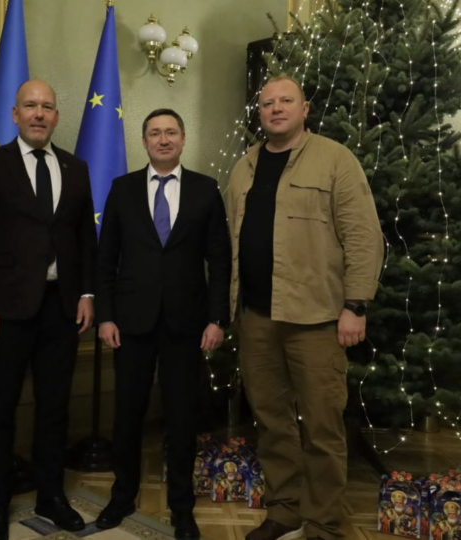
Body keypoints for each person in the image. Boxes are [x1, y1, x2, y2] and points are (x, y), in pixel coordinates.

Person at [226, 74, 383, 540]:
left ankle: (323, 523)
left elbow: (363, 236)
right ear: (259, 112)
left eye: (286, 101)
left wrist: (356, 304)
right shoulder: (244, 167)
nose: (276, 109)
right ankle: (285, 509)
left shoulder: (335, 159)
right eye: (267, 103)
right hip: (256, 318)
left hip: (316, 320)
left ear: (304, 109)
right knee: (271, 423)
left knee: (321, 427)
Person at [0, 79, 97, 540]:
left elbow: (85, 238)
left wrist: (87, 294)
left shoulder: (76, 167)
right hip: (5, 311)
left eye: (47, 107)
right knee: (0, 409)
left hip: (62, 309)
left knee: (55, 408)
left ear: (56, 116)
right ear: (15, 114)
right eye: (30, 106)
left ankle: (51, 496)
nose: (39, 114)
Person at [93, 109, 230, 540]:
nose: (163, 139)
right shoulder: (122, 189)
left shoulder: (206, 190)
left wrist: (217, 318)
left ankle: (182, 507)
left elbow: (219, 260)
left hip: (186, 324)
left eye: (171, 132)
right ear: (145, 141)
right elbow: (105, 259)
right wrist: (106, 315)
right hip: (130, 323)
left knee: (182, 418)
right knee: (127, 415)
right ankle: (122, 495)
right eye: (155, 133)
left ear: (183, 139)